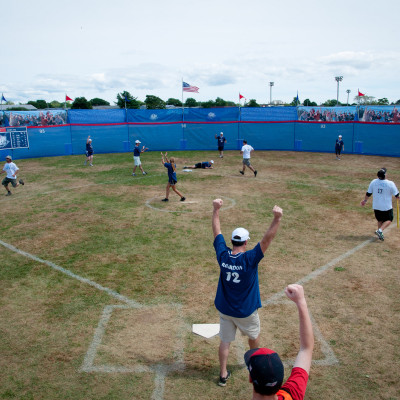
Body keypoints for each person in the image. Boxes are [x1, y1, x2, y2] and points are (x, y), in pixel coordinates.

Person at [212, 198, 283, 386]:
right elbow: (267, 240)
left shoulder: (222, 255)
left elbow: (216, 232)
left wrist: (216, 210)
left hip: (225, 310)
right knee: (253, 336)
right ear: (245, 242)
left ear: (233, 241)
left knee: (225, 341)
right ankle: (254, 362)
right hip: (245, 311)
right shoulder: (249, 259)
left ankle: (223, 374)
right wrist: (276, 219)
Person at [244, 284, 314, 400]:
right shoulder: (291, 395)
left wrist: (300, 302)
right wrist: (301, 301)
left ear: (250, 378)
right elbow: (307, 348)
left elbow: (306, 349)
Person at [360, 167, 399, 241]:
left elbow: (368, 193)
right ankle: (380, 231)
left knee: (380, 220)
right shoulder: (390, 183)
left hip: (376, 206)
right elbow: (397, 195)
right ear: (385, 175)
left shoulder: (373, 182)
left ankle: (379, 235)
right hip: (386, 206)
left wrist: (365, 201)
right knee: (389, 219)